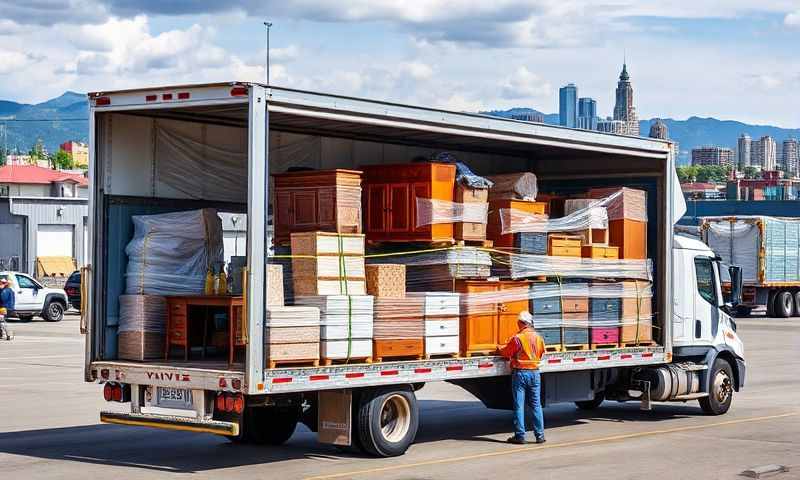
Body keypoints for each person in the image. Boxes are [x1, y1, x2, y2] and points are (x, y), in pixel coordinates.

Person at [499, 310, 546, 444]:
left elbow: (506, 352)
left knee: (519, 406)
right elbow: (542, 352)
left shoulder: (518, 338)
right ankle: (540, 435)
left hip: (521, 374)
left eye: (518, 323)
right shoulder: (538, 337)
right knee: (536, 405)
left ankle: (520, 436)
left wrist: (499, 348)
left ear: (522, 323)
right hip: (535, 373)